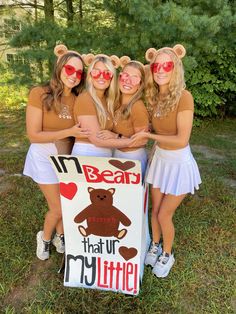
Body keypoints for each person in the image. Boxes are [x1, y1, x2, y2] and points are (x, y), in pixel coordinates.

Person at [131, 44, 201, 277]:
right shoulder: (154, 96)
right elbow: (153, 126)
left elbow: (181, 140)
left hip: (178, 164)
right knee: (154, 210)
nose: (160, 70)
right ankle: (154, 245)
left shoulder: (184, 97)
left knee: (164, 214)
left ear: (175, 69)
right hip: (160, 159)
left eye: (166, 65)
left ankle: (167, 254)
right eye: (156, 66)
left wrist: (147, 136)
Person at [23, 45, 89, 260]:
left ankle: (61, 234)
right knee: (59, 207)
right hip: (43, 155)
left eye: (79, 72)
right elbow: (33, 134)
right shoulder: (40, 93)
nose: (74, 76)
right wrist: (68, 130)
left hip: (67, 158)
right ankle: (45, 236)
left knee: (66, 203)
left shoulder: (79, 98)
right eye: (70, 70)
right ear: (60, 67)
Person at [72, 54, 135, 157]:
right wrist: (132, 142)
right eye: (96, 72)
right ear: (90, 75)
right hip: (86, 154)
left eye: (106, 73)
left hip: (105, 155)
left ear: (111, 78)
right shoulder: (85, 98)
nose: (101, 77)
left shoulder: (109, 101)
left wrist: (118, 136)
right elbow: (97, 140)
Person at [97, 56, 149, 179]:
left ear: (140, 84)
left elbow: (143, 140)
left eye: (134, 78)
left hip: (132, 159)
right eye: (125, 76)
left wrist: (115, 136)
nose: (128, 81)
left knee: (132, 197)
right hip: (116, 154)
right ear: (119, 77)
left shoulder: (137, 107)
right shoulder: (115, 102)